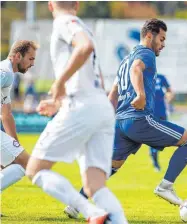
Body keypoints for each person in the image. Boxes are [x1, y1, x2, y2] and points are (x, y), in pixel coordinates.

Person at [65, 18, 187, 220]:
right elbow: (137, 68)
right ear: (149, 36)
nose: (163, 44)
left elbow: (113, 93)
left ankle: (76, 203)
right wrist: (141, 95)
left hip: (121, 121)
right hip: (139, 119)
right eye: (161, 39)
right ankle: (166, 186)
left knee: (112, 166)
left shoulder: (123, 62)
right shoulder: (145, 53)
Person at [25, 2, 128, 224]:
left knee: (35, 170)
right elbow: (91, 75)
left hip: (82, 105)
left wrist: (60, 84)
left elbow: (85, 46)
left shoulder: (64, 22)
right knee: (94, 186)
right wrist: (59, 101)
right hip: (100, 106)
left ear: (51, 5)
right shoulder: (84, 25)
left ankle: (91, 213)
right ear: (78, 4)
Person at [0, 40, 38, 193]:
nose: (33, 63)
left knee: (14, 164)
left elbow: (6, 114)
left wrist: (15, 146)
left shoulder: (7, 73)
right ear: (17, 56)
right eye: (30, 58)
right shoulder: (5, 73)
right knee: (27, 164)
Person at [149, 73, 174, 172]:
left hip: (162, 111)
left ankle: (154, 151)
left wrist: (168, 97)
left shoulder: (161, 77)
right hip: (150, 112)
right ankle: (154, 158)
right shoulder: (143, 76)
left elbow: (169, 91)